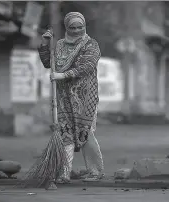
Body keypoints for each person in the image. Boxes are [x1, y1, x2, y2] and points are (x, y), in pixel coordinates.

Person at [38, 12, 104, 183]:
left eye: (80, 27)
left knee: (85, 132)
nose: (76, 30)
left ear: (85, 26)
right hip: (63, 97)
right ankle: (64, 173)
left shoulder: (91, 44)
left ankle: (95, 171)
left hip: (85, 96)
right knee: (64, 133)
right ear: (67, 28)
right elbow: (48, 63)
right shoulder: (59, 45)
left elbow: (87, 66)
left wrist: (63, 75)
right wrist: (45, 44)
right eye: (72, 27)